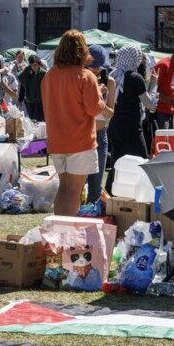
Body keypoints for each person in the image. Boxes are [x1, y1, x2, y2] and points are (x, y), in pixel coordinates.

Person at [40, 30, 106, 216]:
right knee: (74, 191)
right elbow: (95, 109)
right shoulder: (85, 76)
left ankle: (59, 229)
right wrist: (100, 95)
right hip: (80, 141)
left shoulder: (49, 76)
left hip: (57, 140)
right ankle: (66, 233)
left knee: (64, 188)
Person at [108, 45, 156, 164]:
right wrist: (154, 84)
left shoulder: (113, 75)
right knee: (141, 161)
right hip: (131, 126)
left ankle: (113, 183)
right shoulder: (135, 77)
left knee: (118, 163)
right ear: (135, 58)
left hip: (114, 124)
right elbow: (149, 104)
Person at [86, 45, 115, 204]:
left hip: (101, 135)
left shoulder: (109, 82)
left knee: (96, 186)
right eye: (91, 66)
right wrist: (97, 93)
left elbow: (111, 113)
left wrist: (100, 102)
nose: (95, 70)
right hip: (84, 135)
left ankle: (91, 218)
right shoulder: (82, 79)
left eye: (98, 66)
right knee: (80, 183)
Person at [18, 55, 46, 121]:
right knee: (31, 120)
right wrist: (28, 68)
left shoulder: (43, 73)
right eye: (32, 65)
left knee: (37, 120)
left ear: (39, 65)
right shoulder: (29, 73)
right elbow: (20, 78)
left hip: (39, 101)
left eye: (36, 65)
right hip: (29, 100)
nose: (34, 67)